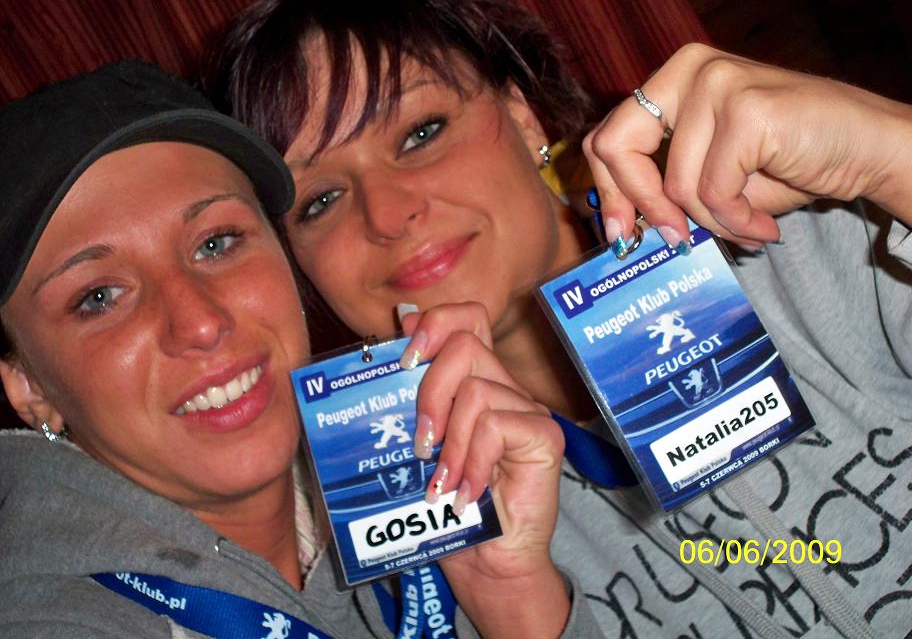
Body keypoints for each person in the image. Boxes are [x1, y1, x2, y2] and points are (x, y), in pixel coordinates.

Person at [211, 0, 912, 637]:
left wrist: (891, 153)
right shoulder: (398, 554)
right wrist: (512, 603)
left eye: (421, 133)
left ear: (523, 119)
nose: (387, 214)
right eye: (320, 201)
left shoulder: (802, 249)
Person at [0, 61, 604, 638]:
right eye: (99, 297)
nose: (200, 324)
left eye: (216, 243)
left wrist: (509, 598)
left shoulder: (404, 479)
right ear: (30, 387)